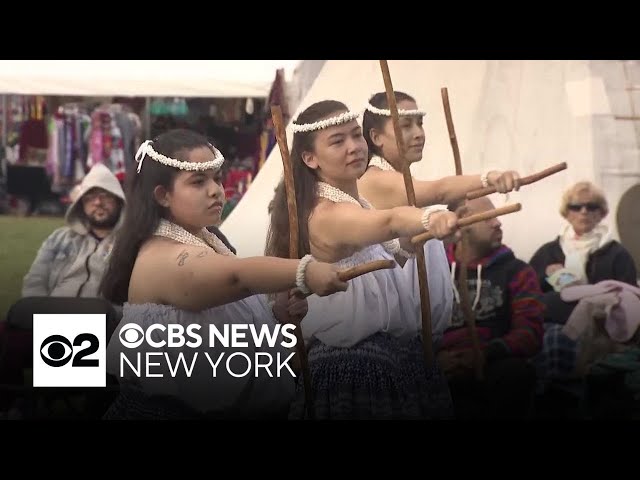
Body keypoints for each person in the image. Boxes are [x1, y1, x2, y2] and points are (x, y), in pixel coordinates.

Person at [99, 129, 348, 420]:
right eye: (198, 181)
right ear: (163, 196)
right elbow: (237, 277)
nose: (216, 190)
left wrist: (277, 317)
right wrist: (304, 271)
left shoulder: (209, 242)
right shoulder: (160, 255)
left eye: (217, 178)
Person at [266, 100, 461, 419]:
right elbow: (390, 222)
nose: (354, 146)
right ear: (309, 158)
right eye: (338, 141)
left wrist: (427, 231)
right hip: (352, 368)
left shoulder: (361, 204)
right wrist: (431, 215)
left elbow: (388, 263)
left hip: (397, 361)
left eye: (356, 136)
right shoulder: (323, 213)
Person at [359, 90, 522, 345]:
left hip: (420, 341)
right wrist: (489, 178)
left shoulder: (405, 183)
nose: (419, 133)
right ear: (376, 137)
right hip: (387, 339)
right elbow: (440, 190)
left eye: (420, 123)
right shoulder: (375, 180)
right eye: (406, 125)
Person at [438, 196, 544, 419]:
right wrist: (434, 359)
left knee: (515, 374)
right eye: (489, 218)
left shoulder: (518, 271)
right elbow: (411, 327)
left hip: (494, 364)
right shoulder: (432, 270)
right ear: (462, 223)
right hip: (440, 365)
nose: (498, 223)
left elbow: (530, 332)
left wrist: (484, 354)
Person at [530, 181, 638, 324]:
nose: (584, 211)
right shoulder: (548, 252)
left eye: (591, 206)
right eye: (576, 207)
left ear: (601, 213)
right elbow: (528, 295)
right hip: (556, 326)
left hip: (604, 329)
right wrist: (547, 275)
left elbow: (631, 299)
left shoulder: (617, 253)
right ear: (566, 213)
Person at [22, 163, 125, 298]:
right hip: (53, 314)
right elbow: (35, 280)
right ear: (81, 204)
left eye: (105, 195)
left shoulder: (130, 244)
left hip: (103, 316)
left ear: (118, 201)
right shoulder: (59, 238)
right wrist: (37, 312)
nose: (98, 202)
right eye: (90, 197)